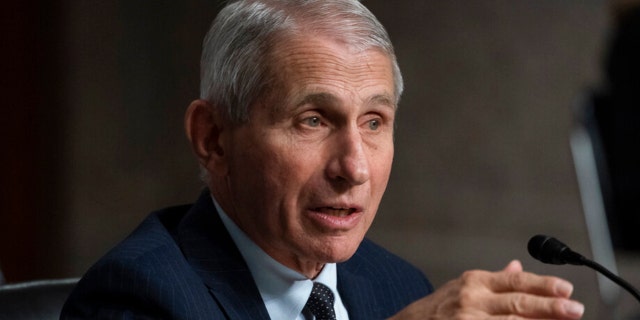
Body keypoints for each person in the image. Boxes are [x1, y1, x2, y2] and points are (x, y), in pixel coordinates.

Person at [61, 0, 585, 319]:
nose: (353, 167)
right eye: (313, 120)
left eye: (374, 122)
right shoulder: (137, 295)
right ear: (214, 138)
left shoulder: (396, 285)